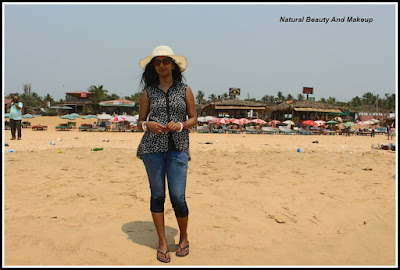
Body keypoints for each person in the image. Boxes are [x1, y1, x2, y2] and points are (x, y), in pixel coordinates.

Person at [136, 45, 197, 263]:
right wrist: (148, 125)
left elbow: (193, 118)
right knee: (157, 195)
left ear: (173, 65)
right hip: (152, 149)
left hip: (178, 148)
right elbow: (139, 122)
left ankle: (184, 237)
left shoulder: (185, 90)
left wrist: (181, 125)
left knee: (178, 198)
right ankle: (162, 242)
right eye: (157, 62)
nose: (161, 65)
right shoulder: (148, 92)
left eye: (166, 61)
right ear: (154, 66)